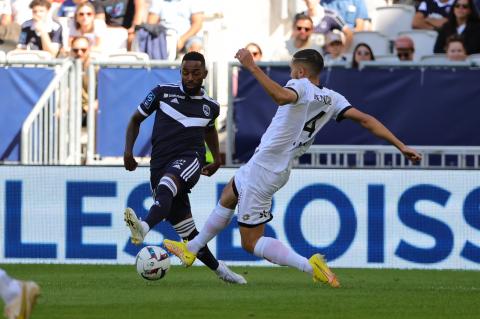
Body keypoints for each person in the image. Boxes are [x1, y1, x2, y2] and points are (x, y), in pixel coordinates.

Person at [163, 48, 422, 287]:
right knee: (229, 194)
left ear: (300, 72)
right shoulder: (332, 98)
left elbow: (281, 96)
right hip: (272, 165)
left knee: (250, 242)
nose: (290, 75)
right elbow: (366, 120)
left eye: (291, 70)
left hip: (265, 169)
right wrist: (401, 146)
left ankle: (311, 267)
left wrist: (252, 67)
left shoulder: (300, 85)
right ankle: (191, 249)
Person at [123, 51, 246, 284]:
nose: (190, 77)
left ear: (205, 75)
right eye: (185, 72)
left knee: (168, 184)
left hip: (190, 159)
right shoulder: (162, 93)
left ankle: (144, 226)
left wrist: (216, 158)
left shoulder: (210, 106)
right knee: (189, 235)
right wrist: (128, 151)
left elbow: (209, 130)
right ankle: (222, 271)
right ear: (180, 72)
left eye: (195, 73)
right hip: (158, 163)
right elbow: (135, 120)